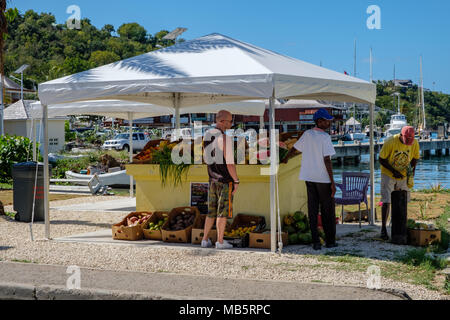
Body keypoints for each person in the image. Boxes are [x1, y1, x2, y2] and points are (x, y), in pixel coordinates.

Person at [288, 108, 337, 250]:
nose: (329, 123)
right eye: (326, 120)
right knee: (328, 211)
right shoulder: (325, 137)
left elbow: (294, 149)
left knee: (313, 210)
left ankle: (316, 242)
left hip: (309, 177)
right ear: (319, 121)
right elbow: (327, 160)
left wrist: (285, 158)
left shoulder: (307, 134)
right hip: (323, 179)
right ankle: (330, 241)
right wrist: (332, 182)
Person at [201, 110, 239, 249]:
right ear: (222, 121)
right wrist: (236, 180)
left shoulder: (206, 136)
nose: (231, 123)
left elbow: (205, 158)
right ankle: (220, 241)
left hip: (212, 179)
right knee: (222, 212)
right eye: (229, 121)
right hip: (224, 180)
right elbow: (230, 163)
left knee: (210, 211)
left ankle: (205, 240)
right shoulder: (225, 138)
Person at [378, 126, 420, 240]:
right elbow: (381, 159)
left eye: (410, 141)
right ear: (401, 135)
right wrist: (393, 171)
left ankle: (401, 227)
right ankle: (383, 229)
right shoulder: (390, 142)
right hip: (388, 173)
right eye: (407, 140)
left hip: (404, 174)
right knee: (386, 201)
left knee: (403, 200)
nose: (408, 143)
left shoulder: (415, 143)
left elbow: (415, 158)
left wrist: (412, 172)